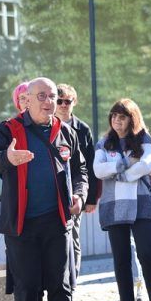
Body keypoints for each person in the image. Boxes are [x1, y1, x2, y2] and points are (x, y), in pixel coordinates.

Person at [0, 77, 88, 301]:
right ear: (26, 100)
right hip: (22, 226)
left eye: (52, 96)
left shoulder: (65, 131)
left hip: (57, 222)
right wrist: (8, 157)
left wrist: (80, 195)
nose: (48, 101)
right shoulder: (7, 130)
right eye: (41, 96)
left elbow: (80, 169)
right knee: (27, 288)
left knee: (61, 287)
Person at [93, 99, 151, 301]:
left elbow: (146, 164)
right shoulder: (104, 143)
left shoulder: (144, 139)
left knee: (146, 254)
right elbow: (97, 170)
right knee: (121, 258)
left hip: (141, 202)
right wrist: (122, 167)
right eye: (113, 116)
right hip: (114, 205)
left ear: (131, 118)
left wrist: (118, 174)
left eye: (122, 117)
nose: (116, 120)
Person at [54, 84, 100, 281]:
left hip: (75, 194)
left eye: (68, 101)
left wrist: (90, 198)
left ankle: (72, 282)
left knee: (73, 239)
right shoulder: (47, 126)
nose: (63, 105)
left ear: (75, 103)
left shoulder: (83, 129)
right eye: (59, 101)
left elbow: (90, 165)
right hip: (53, 192)